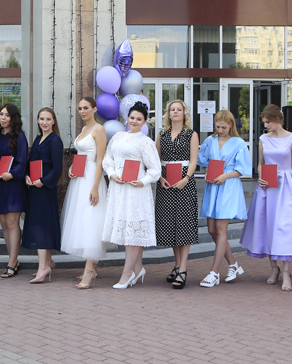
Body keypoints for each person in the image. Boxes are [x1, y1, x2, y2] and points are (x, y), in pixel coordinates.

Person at [239, 105, 292, 292]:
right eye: (264, 122)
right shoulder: (263, 139)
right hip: (267, 187)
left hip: (287, 186)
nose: (266, 126)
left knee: (286, 228)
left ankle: (287, 272)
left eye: (268, 122)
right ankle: (274, 269)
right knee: (267, 226)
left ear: (278, 119)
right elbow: (260, 163)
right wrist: (261, 177)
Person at [103, 102, 160, 289]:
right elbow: (107, 158)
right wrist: (111, 174)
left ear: (144, 122)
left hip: (136, 191)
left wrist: (142, 181)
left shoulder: (145, 141)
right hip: (118, 188)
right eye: (132, 117)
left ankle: (127, 274)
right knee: (129, 230)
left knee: (133, 230)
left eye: (139, 119)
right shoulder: (118, 136)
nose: (134, 121)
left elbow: (155, 169)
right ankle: (138, 269)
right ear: (127, 118)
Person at [197, 110, 252, 288]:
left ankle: (214, 272)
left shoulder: (239, 143)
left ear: (231, 125)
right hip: (213, 186)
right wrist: (208, 173)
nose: (220, 130)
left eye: (223, 127)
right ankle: (233, 265)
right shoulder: (210, 140)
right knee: (212, 230)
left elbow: (242, 169)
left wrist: (225, 176)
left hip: (228, 187)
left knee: (221, 229)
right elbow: (203, 162)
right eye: (218, 127)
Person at [61, 98, 109, 289]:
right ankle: (91, 266)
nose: (82, 111)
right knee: (82, 219)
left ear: (94, 109)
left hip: (91, 179)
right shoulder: (83, 129)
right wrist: (72, 167)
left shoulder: (99, 129)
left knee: (91, 219)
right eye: (80, 108)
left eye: (86, 108)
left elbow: (100, 160)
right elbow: (81, 154)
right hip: (80, 178)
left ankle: (89, 270)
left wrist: (95, 187)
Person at [155, 100, 199, 290]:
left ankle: (183, 269)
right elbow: (156, 159)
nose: (175, 112)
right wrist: (159, 178)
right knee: (170, 225)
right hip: (166, 183)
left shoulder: (191, 134)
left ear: (184, 113)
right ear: (168, 113)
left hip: (184, 183)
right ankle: (177, 264)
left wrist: (186, 178)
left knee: (184, 224)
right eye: (172, 109)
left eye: (178, 109)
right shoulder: (162, 134)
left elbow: (194, 160)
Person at [23, 108, 63, 284]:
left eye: (48, 119)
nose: (44, 122)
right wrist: (27, 175)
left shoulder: (55, 140)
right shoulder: (38, 139)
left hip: (45, 189)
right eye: (41, 119)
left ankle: (42, 268)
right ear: (38, 120)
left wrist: (44, 181)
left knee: (42, 225)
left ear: (53, 121)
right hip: (34, 187)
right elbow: (31, 162)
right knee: (40, 224)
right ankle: (48, 262)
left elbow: (57, 168)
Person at [0, 103, 28, 279]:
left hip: (13, 184)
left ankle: (12, 262)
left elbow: (22, 161)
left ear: (13, 117)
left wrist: (11, 174)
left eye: (7, 115)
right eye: (1, 114)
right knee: (4, 224)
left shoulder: (19, 136)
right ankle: (13, 259)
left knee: (12, 223)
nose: (3, 118)